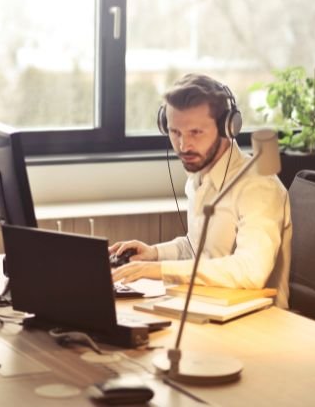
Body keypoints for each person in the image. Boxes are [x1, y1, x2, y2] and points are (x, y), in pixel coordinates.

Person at [110, 73, 292, 308]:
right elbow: (199, 249)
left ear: (228, 127)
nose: (184, 146)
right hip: (207, 305)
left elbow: (251, 271)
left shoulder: (258, 186)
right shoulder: (200, 176)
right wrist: (154, 254)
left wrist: (159, 270)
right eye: (175, 133)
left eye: (195, 132)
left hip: (258, 321)